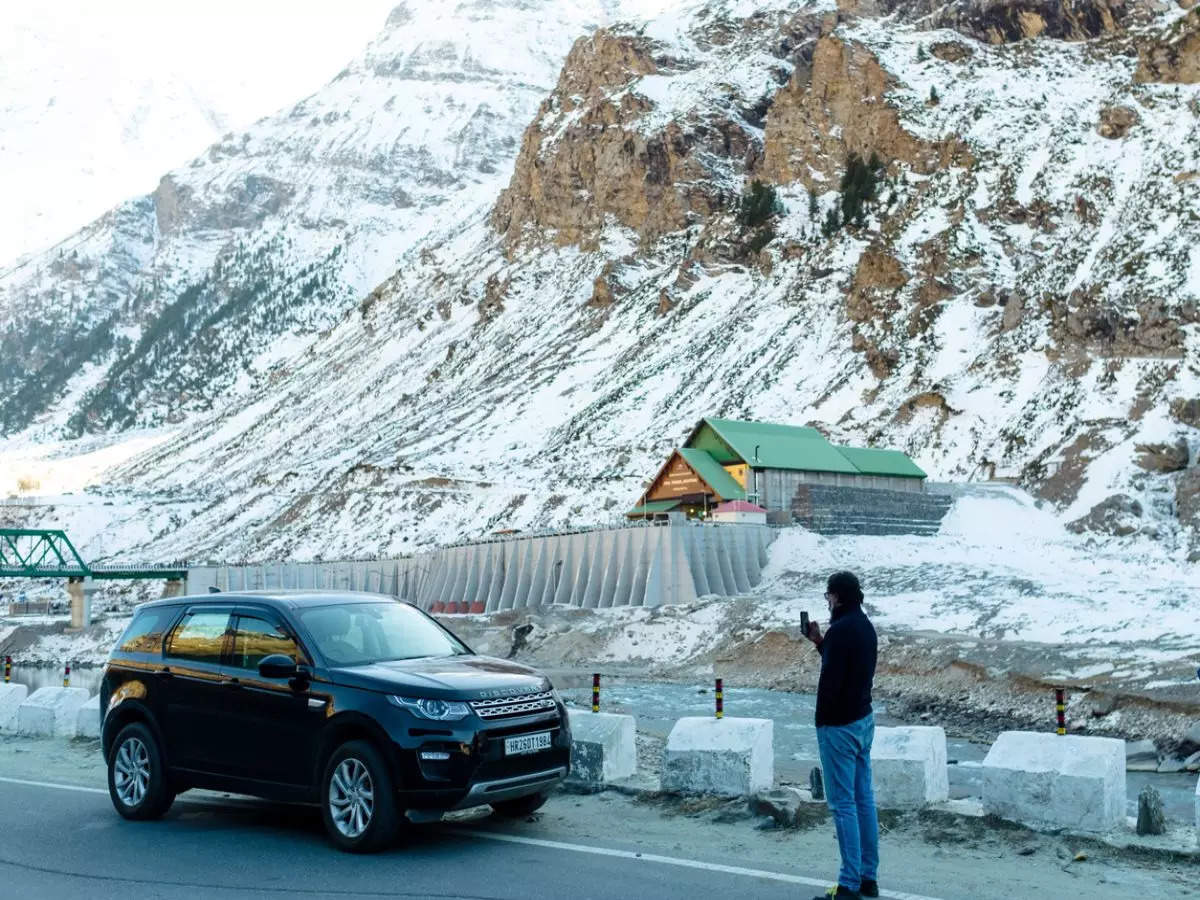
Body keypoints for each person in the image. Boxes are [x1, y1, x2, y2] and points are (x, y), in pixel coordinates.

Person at [805, 571, 879, 900]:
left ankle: (848, 884)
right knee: (864, 801)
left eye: (829, 596)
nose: (828, 601)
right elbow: (845, 667)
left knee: (843, 805)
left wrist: (823, 722)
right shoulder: (864, 627)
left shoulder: (841, 630)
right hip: (863, 721)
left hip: (839, 727)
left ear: (837, 597)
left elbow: (832, 681)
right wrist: (822, 643)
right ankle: (868, 878)